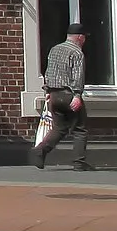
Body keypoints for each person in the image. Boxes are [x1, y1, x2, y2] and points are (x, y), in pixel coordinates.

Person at [33, 23, 93, 170]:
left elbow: (49, 72)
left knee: (59, 127)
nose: (85, 40)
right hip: (69, 94)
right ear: (79, 37)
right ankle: (79, 162)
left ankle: (41, 150)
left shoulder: (54, 49)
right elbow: (77, 76)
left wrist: (48, 92)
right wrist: (77, 95)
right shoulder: (77, 52)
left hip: (54, 95)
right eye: (84, 37)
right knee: (80, 129)